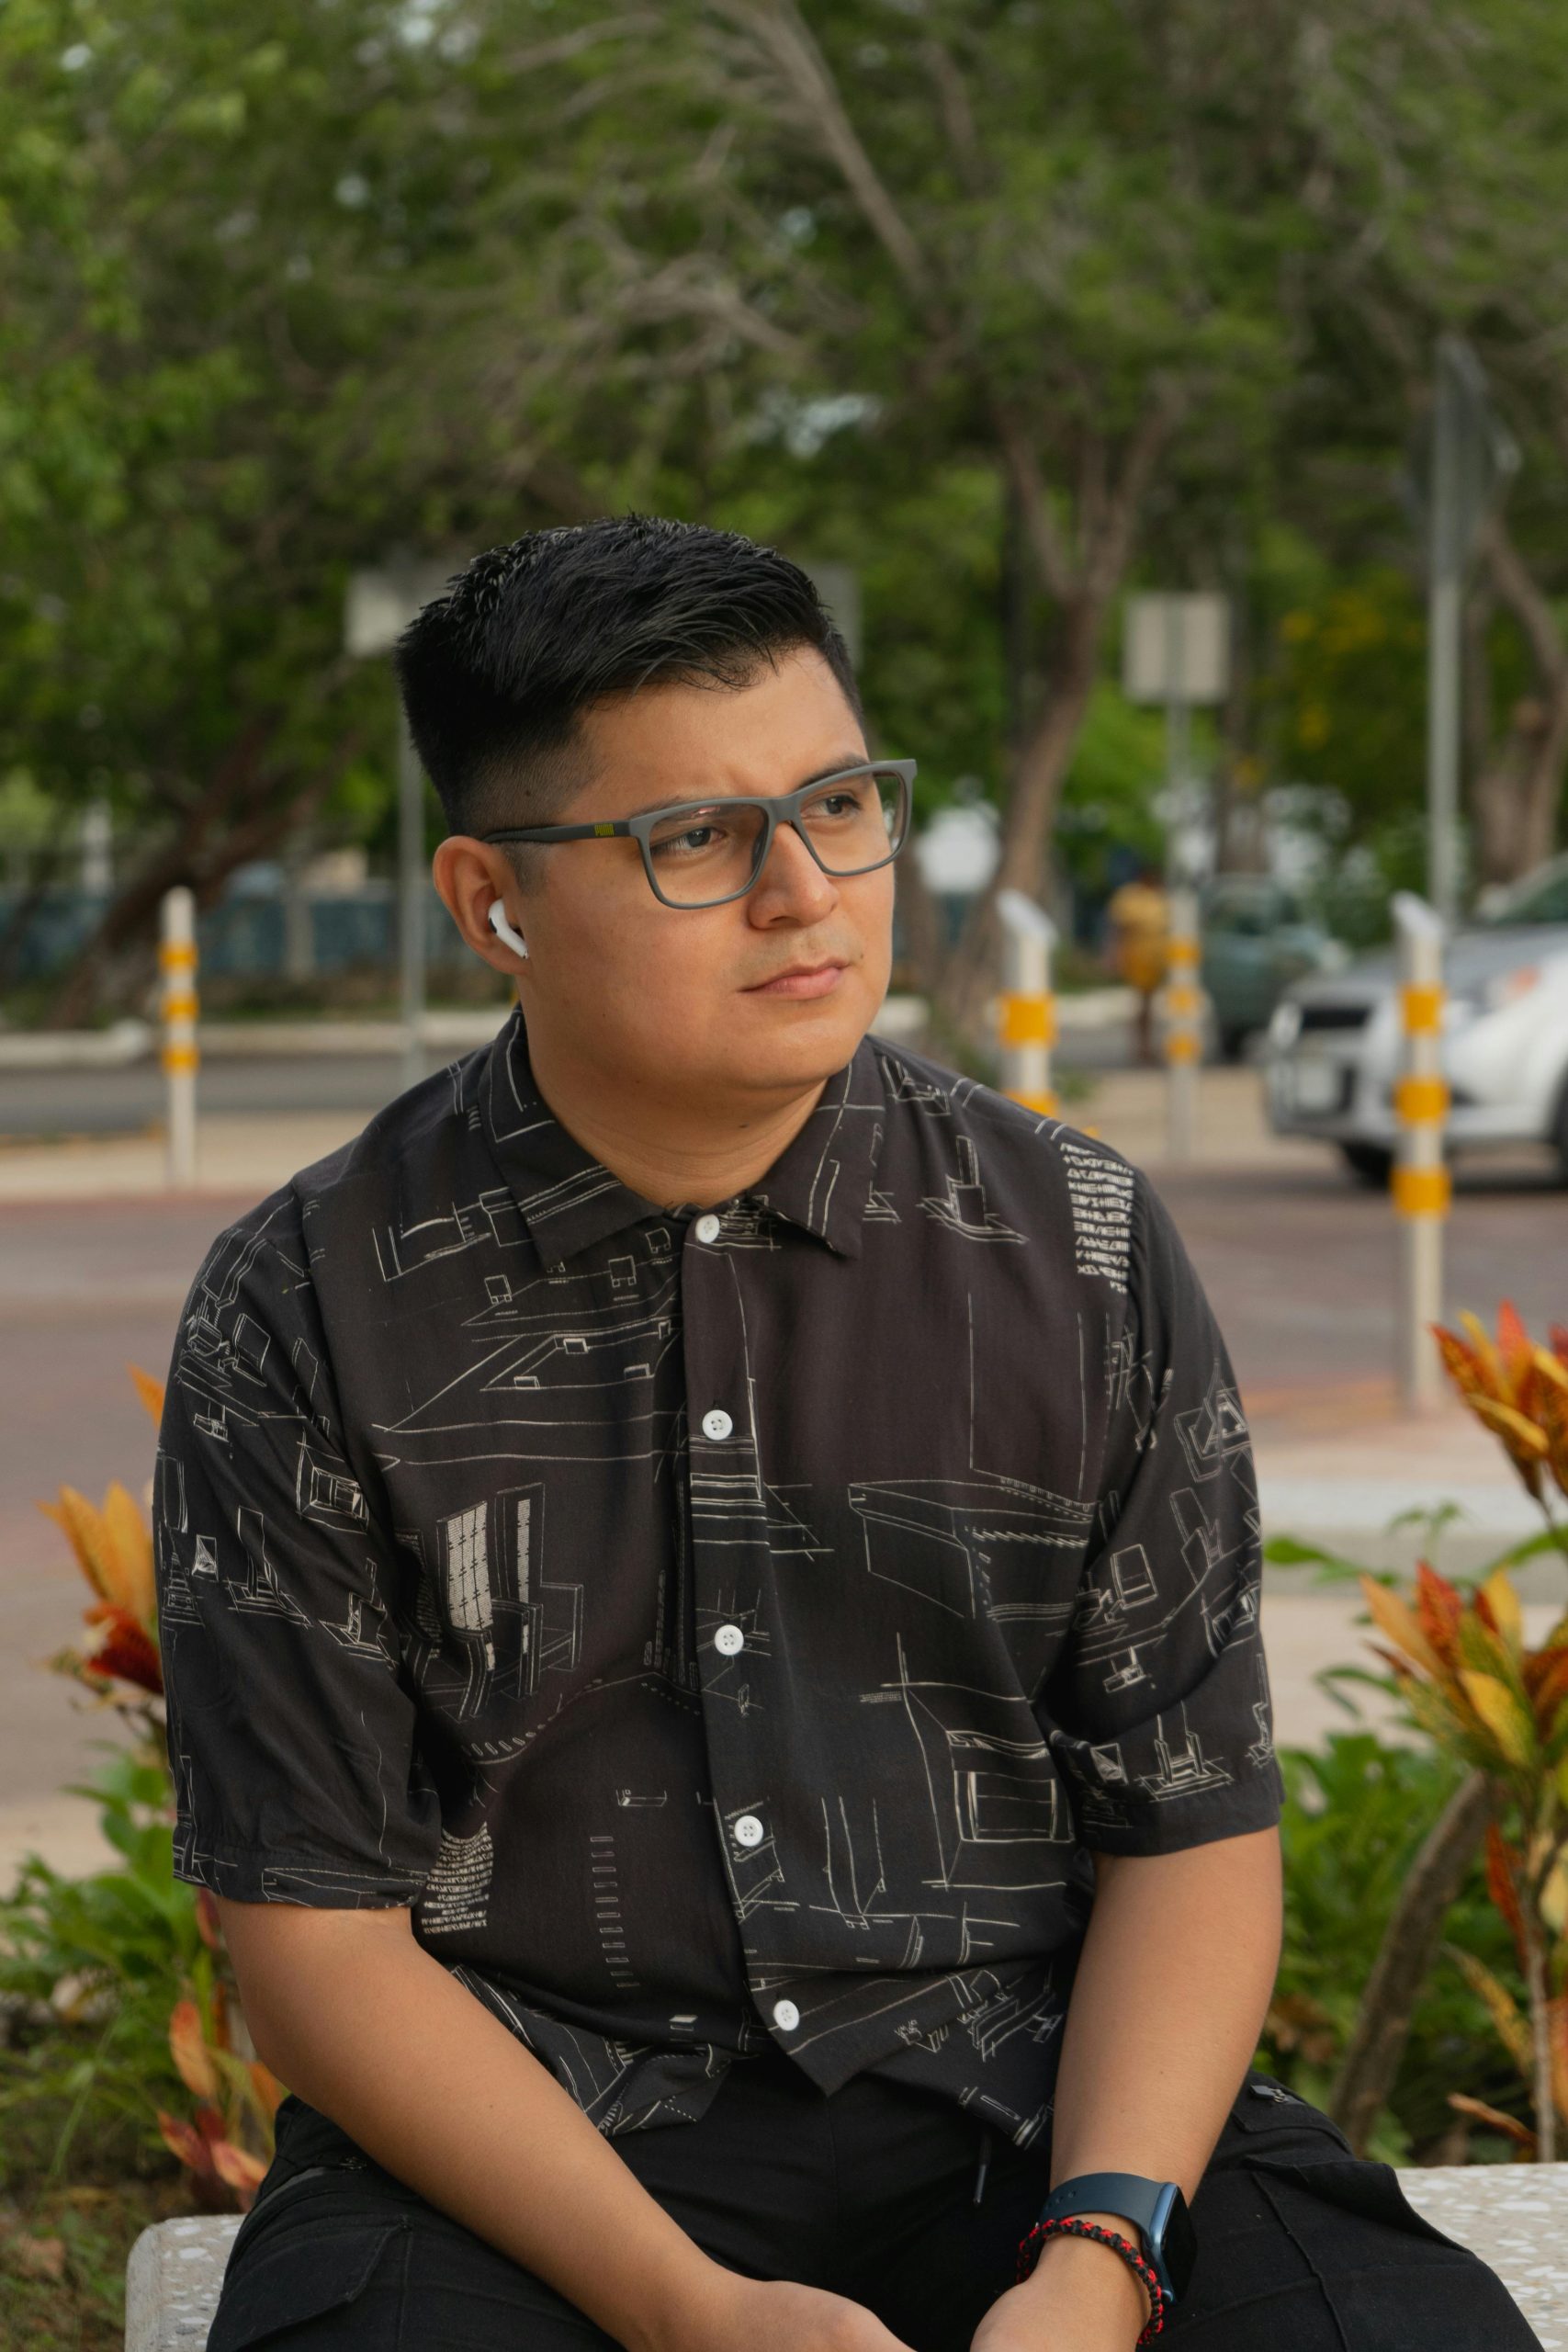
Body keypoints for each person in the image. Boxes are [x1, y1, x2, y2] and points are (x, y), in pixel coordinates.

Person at [152, 518, 1537, 2352]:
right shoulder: (307, 1303)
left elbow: (1188, 1829)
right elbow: (311, 1930)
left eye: (840, 802)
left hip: (1026, 2100)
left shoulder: (1079, 1244)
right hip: (524, 2132)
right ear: (489, 901)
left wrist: (1099, 2260)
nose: (806, 889)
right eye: (694, 838)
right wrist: (681, 2305)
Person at [1104, 865, 1170, 1069]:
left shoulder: (1161, 897)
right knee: (1143, 1002)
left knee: (1156, 1004)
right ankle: (1142, 1046)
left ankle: (1151, 1044)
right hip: (1138, 954)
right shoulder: (1130, 897)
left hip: (1159, 956)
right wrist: (1116, 955)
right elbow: (1119, 929)